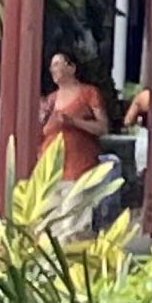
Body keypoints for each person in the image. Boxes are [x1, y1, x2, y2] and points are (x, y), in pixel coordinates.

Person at [39, 48, 109, 236]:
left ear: (71, 67)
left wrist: (74, 122)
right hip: (52, 170)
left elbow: (103, 127)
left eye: (57, 64)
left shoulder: (88, 93)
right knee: (52, 226)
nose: (53, 69)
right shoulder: (51, 99)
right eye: (51, 66)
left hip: (79, 168)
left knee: (74, 226)